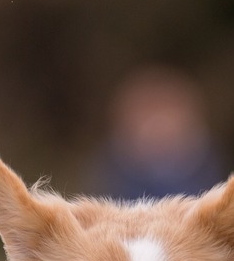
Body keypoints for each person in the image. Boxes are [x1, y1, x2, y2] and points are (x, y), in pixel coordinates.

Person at [91, 66, 225, 201]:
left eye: (167, 111)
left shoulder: (207, 165)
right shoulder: (110, 169)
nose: (158, 123)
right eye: (147, 112)